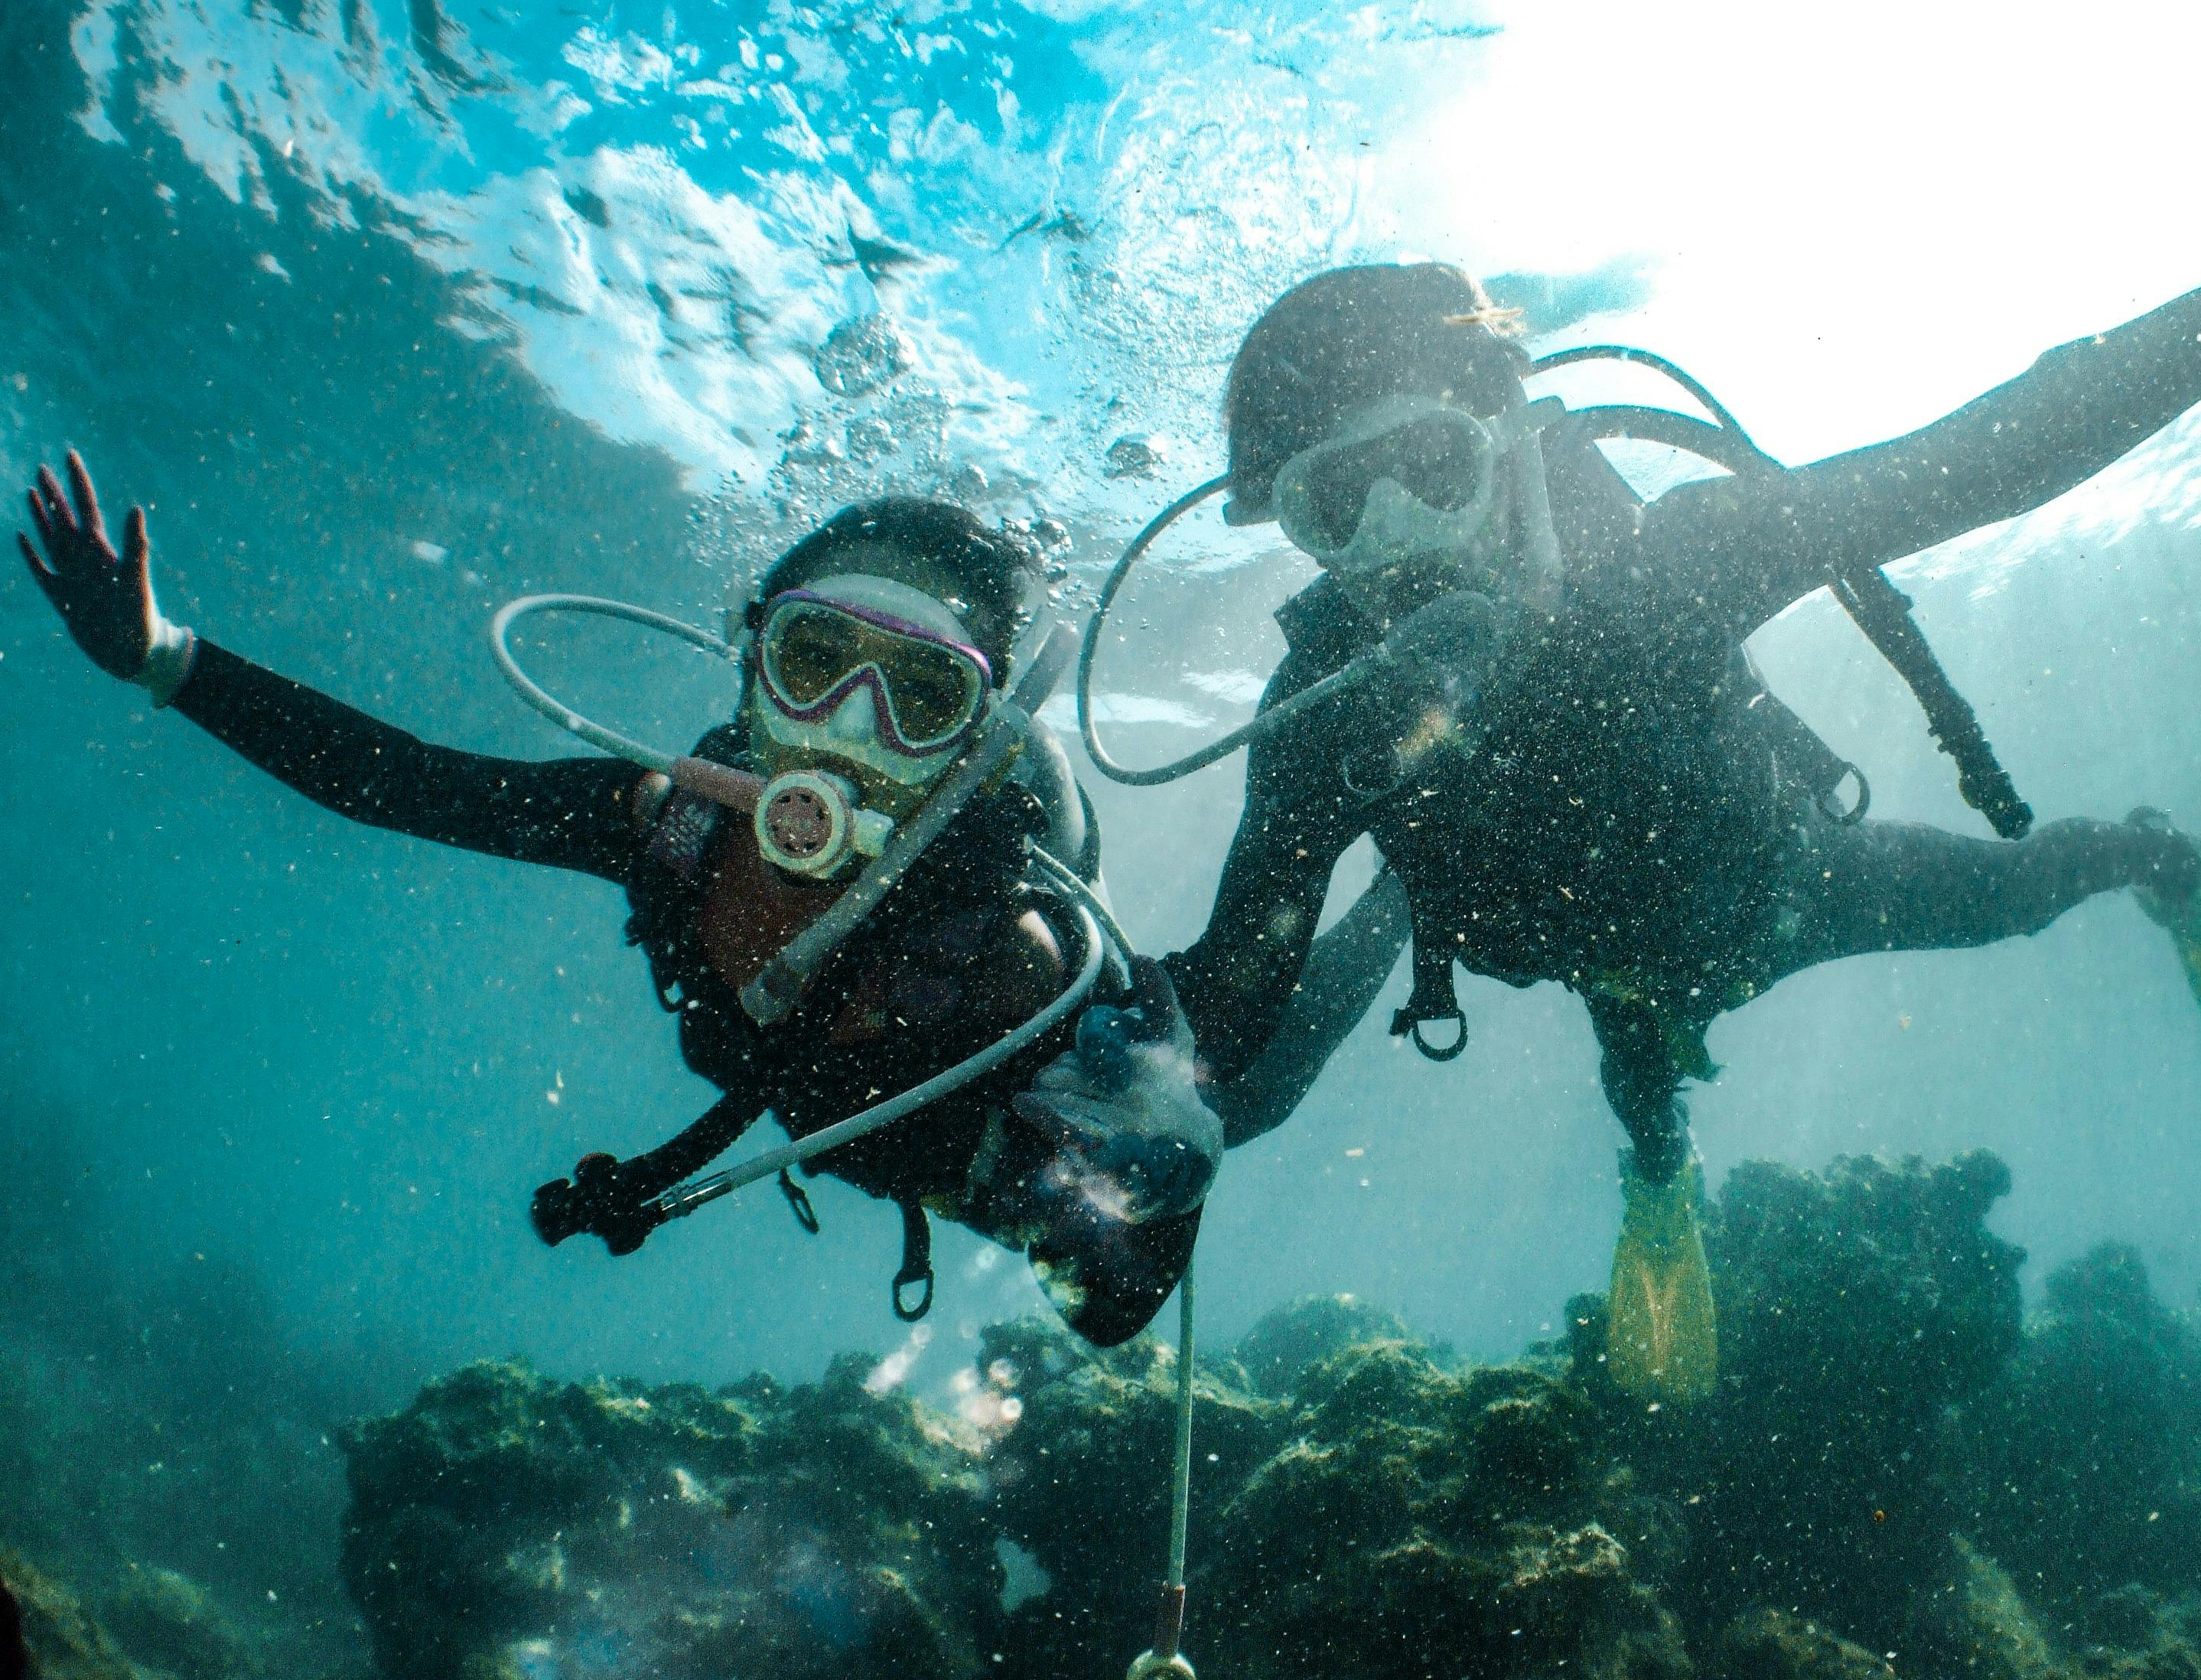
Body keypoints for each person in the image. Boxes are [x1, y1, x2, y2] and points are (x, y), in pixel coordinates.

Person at [1157, 103, 2201, 1395]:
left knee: (2013, 898)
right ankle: (1659, 1186)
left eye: (1428, 468)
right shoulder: (1327, 714)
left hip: (1789, 886)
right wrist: (1116, 1091)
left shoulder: (1678, 567)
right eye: (1336, 507)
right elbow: (1233, 998)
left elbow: (1980, 461)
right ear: (1294, 531)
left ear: (1504, 434)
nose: (1399, 545)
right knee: (1642, 1104)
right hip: (1598, 963)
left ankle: (2155, 857)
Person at [17, 460, 1401, 1345]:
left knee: (1251, 1091)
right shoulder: (664, 825)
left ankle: (1400, 913)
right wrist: (161, 659)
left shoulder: (1013, 964)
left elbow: (1117, 1309)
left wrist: (1137, 1159)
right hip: (838, 1123)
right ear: (750, 676)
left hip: (990, 1132)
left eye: (918, 699)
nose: (848, 732)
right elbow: (404, 784)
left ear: (971, 745)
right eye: (815, 663)